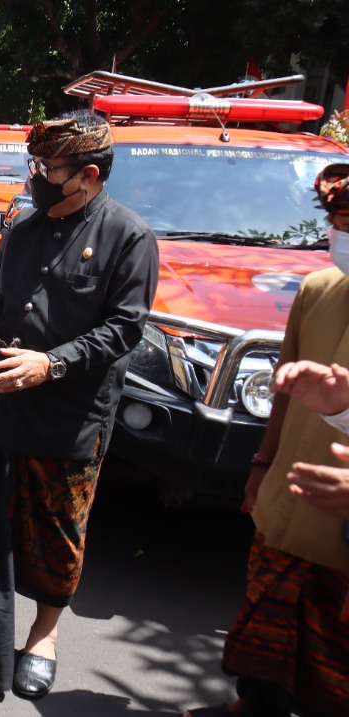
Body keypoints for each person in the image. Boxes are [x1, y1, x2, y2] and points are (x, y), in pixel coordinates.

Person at [0, 110, 158, 699]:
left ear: (87, 176)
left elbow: (123, 330)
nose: (35, 176)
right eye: (34, 164)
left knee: (56, 532)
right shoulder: (25, 228)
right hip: (5, 404)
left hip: (70, 417)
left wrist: (51, 362)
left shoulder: (129, 237)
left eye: (47, 168)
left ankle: (42, 635)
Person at [182, 165, 349, 717]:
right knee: (261, 654)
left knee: (330, 674)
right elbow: (283, 392)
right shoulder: (321, 288)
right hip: (286, 502)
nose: (340, 237)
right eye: (337, 223)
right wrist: (261, 464)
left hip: (340, 532)